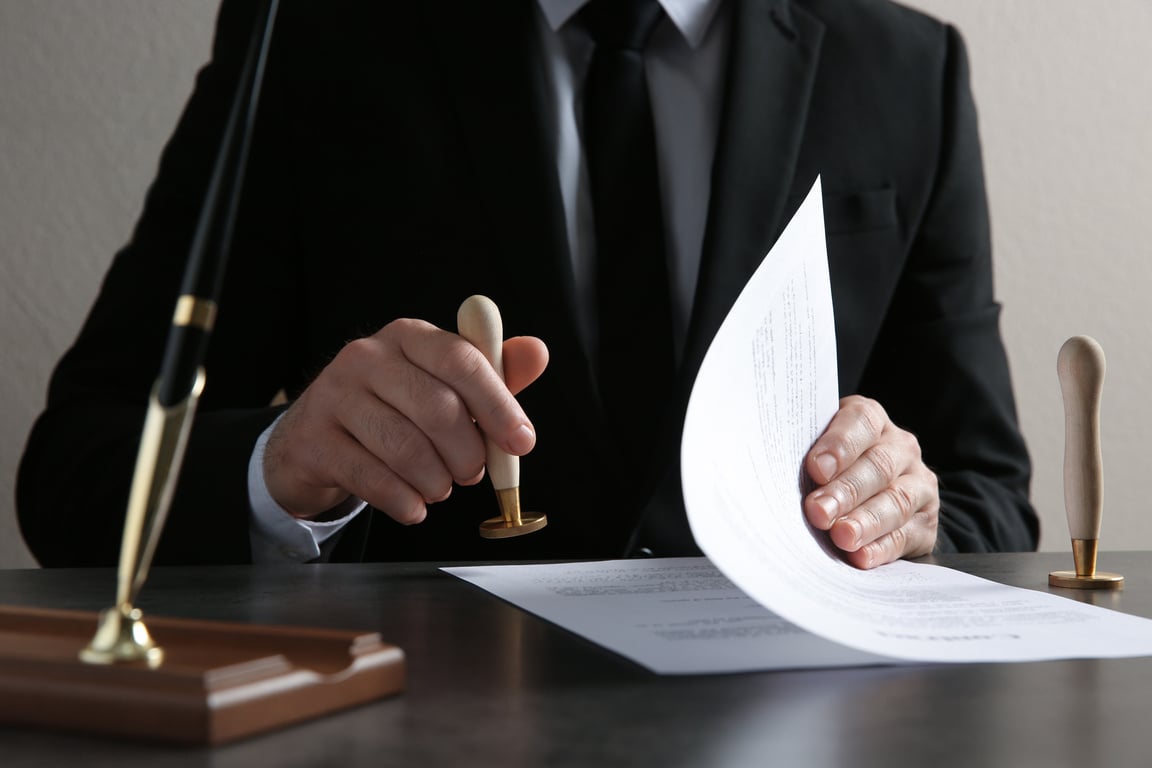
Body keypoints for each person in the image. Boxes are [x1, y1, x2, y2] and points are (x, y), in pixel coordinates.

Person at [17, 0, 1038, 568]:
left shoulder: (909, 69)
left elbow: (992, 496)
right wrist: (280, 470)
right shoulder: (311, 35)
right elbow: (76, 472)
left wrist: (912, 510)